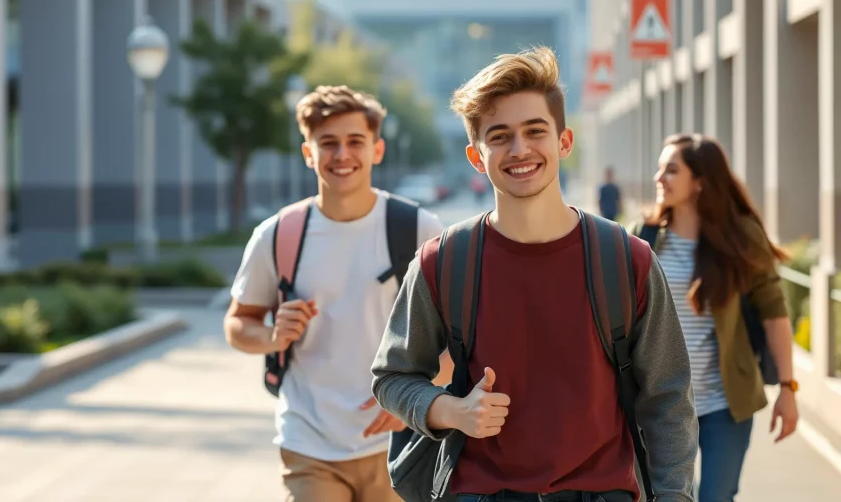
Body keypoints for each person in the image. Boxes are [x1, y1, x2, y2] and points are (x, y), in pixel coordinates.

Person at [370, 47, 698, 502]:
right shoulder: (442, 261)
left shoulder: (627, 259)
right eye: (499, 136)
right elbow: (392, 378)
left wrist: (675, 496)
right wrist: (450, 410)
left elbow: (668, 400)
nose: (519, 149)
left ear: (564, 141)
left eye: (535, 131)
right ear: (475, 156)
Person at [223, 85, 447, 502]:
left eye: (354, 142)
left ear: (376, 150)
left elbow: (456, 341)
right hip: (309, 440)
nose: (342, 155)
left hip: (399, 445)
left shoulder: (418, 230)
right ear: (308, 153)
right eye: (327, 144)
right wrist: (272, 336)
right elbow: (238, 324)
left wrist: (416, 401)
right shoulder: (279, 235)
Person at [632, 134, 799, 502]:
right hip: (662, 403)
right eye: (660, 168)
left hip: (725, 402)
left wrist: (788, 389)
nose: (659, 177)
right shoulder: (643, 238)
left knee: (716, 497)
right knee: (668, 496)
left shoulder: (740, 238)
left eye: (672, 170)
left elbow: (774, 315)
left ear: (700, 181)